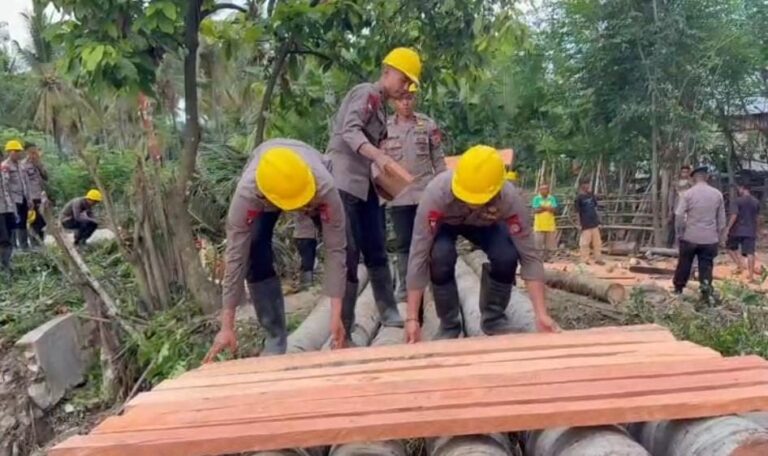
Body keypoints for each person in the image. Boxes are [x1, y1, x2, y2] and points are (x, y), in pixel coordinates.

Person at [205, 139, 347, 359]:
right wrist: (227, 327)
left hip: (313, 181)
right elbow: (235, 259)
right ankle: (275, 338)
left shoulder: (324, 186)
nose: (301, 210)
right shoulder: (247, 195)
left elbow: (336, 249)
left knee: (349, 246)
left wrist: (336, 315)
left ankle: (344, 323)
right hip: (265, 187)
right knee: (254, 250)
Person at [404, 145, 558, 343]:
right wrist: (411, 318)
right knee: (439, 256)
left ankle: (493, 318)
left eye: (478, 199)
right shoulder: (436, 193)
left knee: (506, 255)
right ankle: (449, 324)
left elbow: (529, 256)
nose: (471, 203)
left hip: (485, 225)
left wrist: (541, 313)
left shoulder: (508, 199)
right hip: (446, 225)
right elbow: (418, 254)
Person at [327, 47, 422, 335]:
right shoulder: (365, 93)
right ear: (387, 72)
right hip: (344, 183)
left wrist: (387, 176)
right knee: (349, 254)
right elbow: (349, 131)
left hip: (366, 184)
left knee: (377, 247)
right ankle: (344, 324)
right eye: (402, 80)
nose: (404, 87)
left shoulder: (380, 106)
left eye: (408, 83)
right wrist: (379, 157)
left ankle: (389, 310)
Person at [382, 83, 446, 302]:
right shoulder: (384, 127)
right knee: (403, 243)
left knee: (429, 239)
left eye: (409, 98)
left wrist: (442, 188)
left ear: (415, 99)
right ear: (392, 102)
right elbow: (379, 161)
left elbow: (438, 158)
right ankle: (405, 287)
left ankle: (430, 284)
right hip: (398, 196)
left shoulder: (427, 125)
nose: (406, 102)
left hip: (425, 194)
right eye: (401, 99)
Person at [673, 166, 726, 301]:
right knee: (706, 267)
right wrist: (720, 237)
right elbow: (721, 220)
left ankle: (678, 289)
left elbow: (679, 215)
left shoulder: (688, 194)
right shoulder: (717, 194)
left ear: (694, 178)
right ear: (707, 177)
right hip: (709, 239)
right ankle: (706, 293)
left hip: (690, 236)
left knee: (684, 264)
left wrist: (680, 232)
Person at [726, 182, 760, 282]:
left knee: (729, 247)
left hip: (737, 230)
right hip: (750, 230)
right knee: (750, 252)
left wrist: (728, 227)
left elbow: (734, 215)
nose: (738, 190)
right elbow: (757, 218)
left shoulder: (737, 201)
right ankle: (751, 276)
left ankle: (740, 265)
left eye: (739, 188)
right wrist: (756, 229)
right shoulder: (756, 202)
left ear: (743, 188)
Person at [1, 140, 31, 251]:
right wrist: (8, 202)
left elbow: (26, 182)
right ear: (10, 152)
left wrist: (29, 198)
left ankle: (24, 246)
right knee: (13, 222)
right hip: (12, 199)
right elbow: (5, 185)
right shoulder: (5, 166)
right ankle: (13, 247)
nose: (18, 153)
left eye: (19, 151)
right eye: (16, 151)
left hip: (22, 197)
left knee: (23, 221)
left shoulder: (21, 166)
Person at [22, 142, 48, 246]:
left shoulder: (39, 163)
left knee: (43, 221)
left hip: (41, 196)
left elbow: (46, 177)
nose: (34, 154)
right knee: (34, 221)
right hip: (31, 197)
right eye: (32, 152)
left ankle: (40, 243)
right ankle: (35, 244)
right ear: (26, 152)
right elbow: (23, 183)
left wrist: (39, 165)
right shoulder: (23, 165)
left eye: (36, 151)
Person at [575, 179, 603, 264]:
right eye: (585, 184)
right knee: (584, 243)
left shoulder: (591, 195)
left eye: (588, 184)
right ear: (581, 186)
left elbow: (595, 207)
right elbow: (577, 212)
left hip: (594, 222)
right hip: (585, 223)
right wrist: (579, 224)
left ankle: (598, 259)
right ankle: (585, 259)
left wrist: (598, 220)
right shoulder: (578, 198)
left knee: (597, 243)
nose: (587, 186)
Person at [293, 213, 321, 290]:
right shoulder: (301, 205)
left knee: (308, 261)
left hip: (310, 236)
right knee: (307, 262)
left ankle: (306, 283)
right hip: (304, 236)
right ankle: (307, 285)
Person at [667, 165, 692, 247]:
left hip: (689, 209)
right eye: (683, 172)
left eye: (686, 172)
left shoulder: (691, 183)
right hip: (677, 208)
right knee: (677, 227)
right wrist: (670, 209)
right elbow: (671, 196)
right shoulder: (675, 183)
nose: (684, 174)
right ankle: (677, 245)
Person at [531, 184, 558, 261]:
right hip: (539, 225)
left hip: (549, 224)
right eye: (542, 189)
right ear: (539, 190)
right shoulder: (536, 198)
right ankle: (538, 258)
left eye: (545, 189)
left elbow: (554, 210)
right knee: (538, 244)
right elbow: (535, 211)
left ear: (548, 190)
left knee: (548, 244)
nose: (543, 191)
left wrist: (542, 207)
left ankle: (547, 258)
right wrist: (548, 208)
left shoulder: (552, 198)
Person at [0, 158, 15, 274]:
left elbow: (9, 190)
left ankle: (7, 262)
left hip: (8, 208)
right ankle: (6, 266)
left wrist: (13, 208)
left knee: (9, 236)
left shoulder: (4, 172)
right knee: (4, 239)